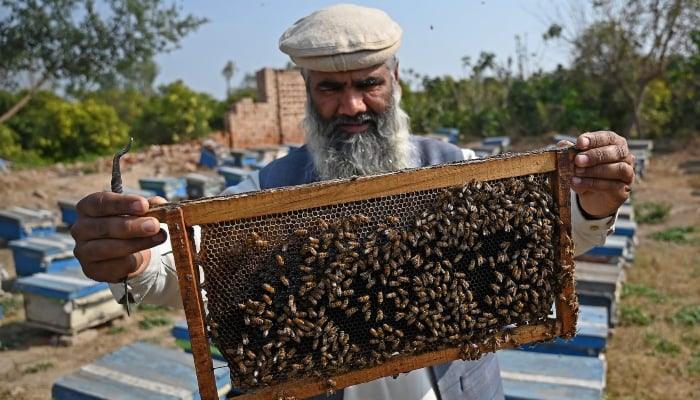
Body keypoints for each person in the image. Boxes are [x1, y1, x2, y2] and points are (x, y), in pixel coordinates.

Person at [71, 4, 635, 400]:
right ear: (307, 91)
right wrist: (135, 257)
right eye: (330, 88)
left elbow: (554, 237)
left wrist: (592, 201)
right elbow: (182, 267)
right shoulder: (269, 192)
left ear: (396, 79)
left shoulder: (458, 166)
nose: (351, 106)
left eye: (368, 83)